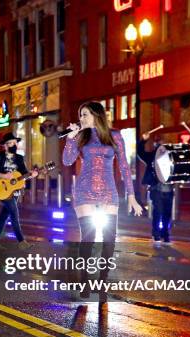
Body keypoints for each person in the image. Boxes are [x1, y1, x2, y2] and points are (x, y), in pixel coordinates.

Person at [62, 101, 143, 300]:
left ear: (97, 115)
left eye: (85, 115)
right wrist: (70, 139)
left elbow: (124, 166)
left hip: (108, 190)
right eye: (80, 115)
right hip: (84, 190)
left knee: (109, 239)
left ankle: (102, 281)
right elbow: (67, 161)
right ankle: (85, 279)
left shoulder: (115, 135)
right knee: (88, 238)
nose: (81, 119)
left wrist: (131, 196)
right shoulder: (80, 135)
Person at [0, 133, 38, 250]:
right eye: (11, 143)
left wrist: (32, 175)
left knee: (3, 216)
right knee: (14, 214)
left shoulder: (19, 158)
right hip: (1, 188)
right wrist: (4, 176)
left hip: (14, 191)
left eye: (15, 143)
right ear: (5, 146)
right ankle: (21, 242)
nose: (14, 145)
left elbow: (23, 175)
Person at [137, 131, 174, 244]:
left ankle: (165, 234)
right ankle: (157, 234)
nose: (160, 145)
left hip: (168, 189)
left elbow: (184, 151)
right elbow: (140, 152)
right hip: (156, 189)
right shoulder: (151, 156)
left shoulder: (171, 156)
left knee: (167, 213)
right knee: (158, 212)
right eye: (158, 143)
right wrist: (143, 140)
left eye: (162, 143)